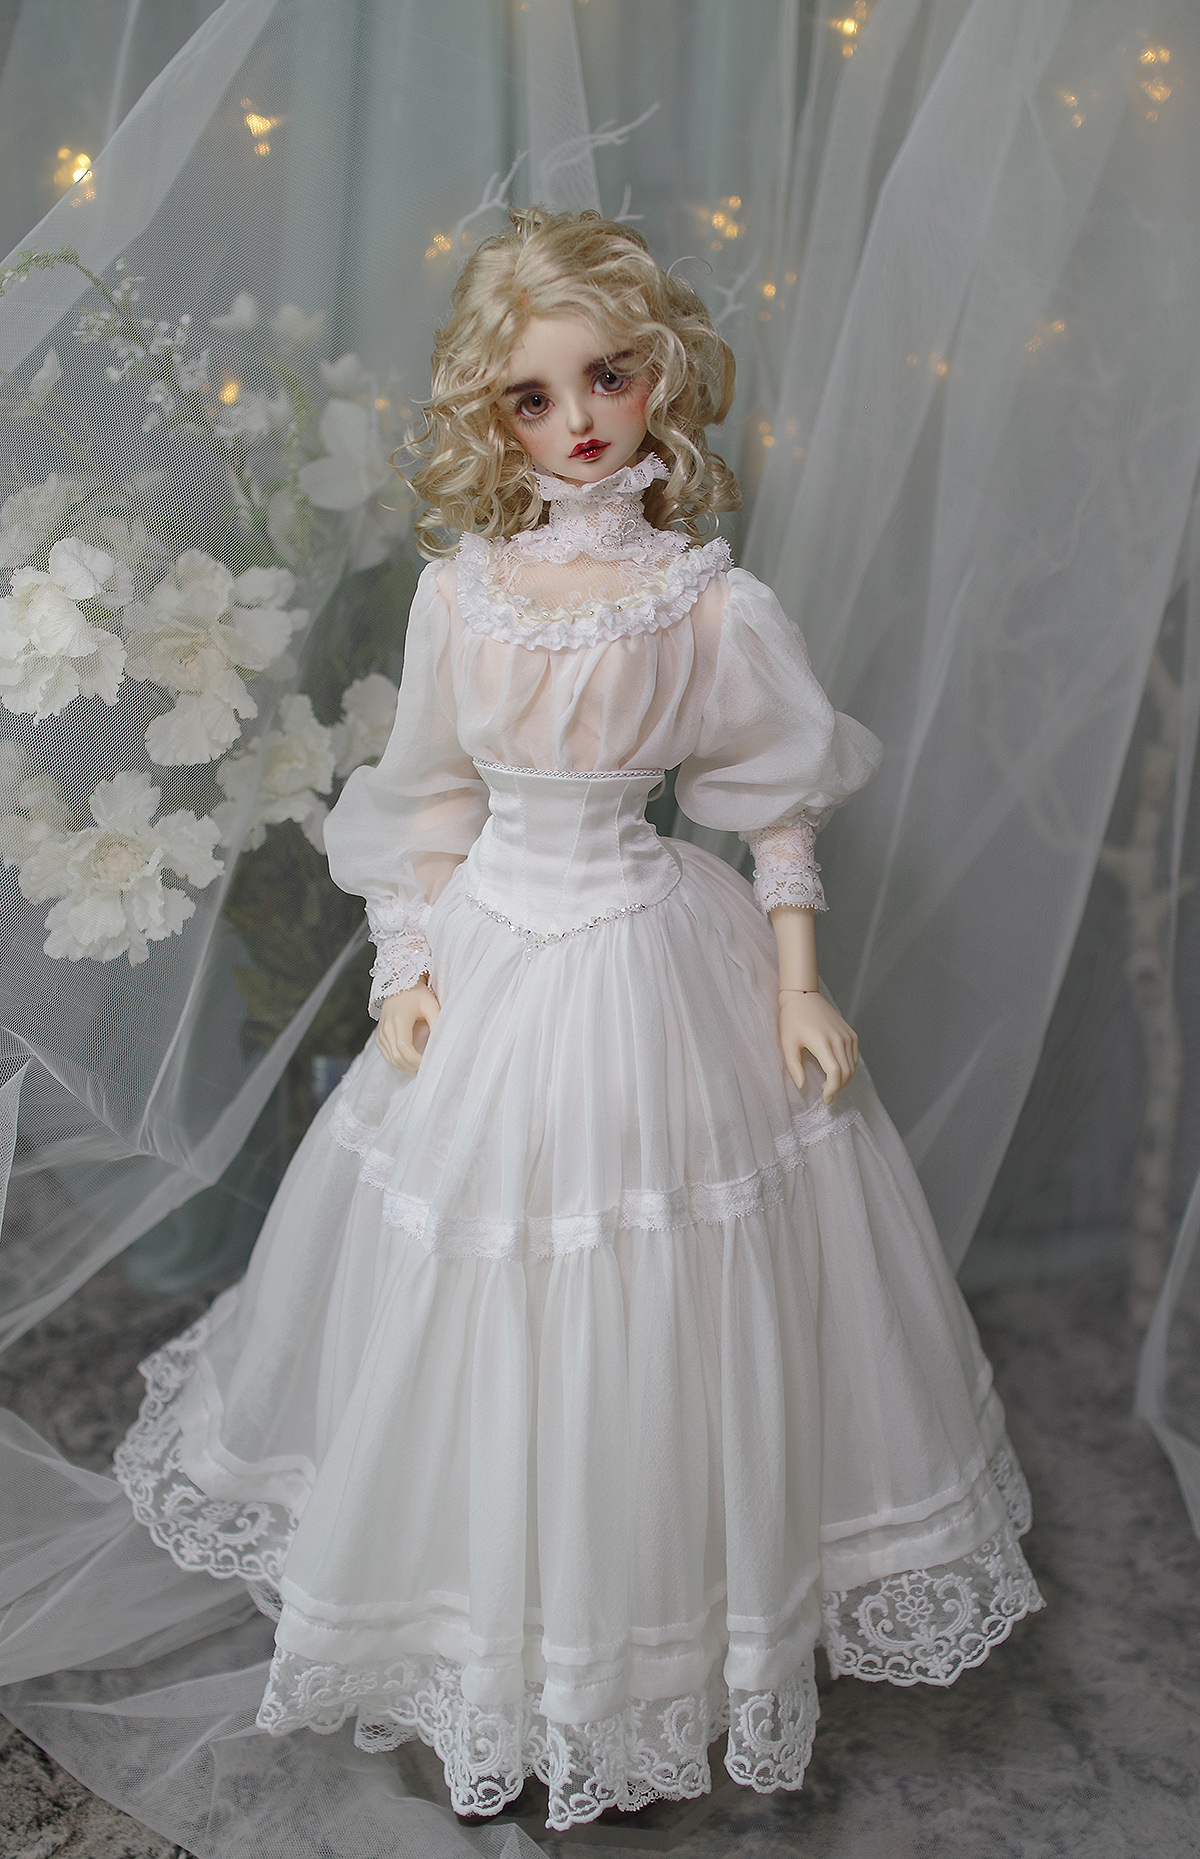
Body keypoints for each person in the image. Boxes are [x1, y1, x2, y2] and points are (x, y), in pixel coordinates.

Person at [113, 207, 1042, 1833]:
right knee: (470, 1287)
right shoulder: (461, 595)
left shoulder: (707, 602)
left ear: (659, 374)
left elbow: (772, 798)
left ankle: (638, 1660)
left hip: (651, 955)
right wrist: (407, 969)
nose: (579, 419)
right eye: (534, 396)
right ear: (496, 414)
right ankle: (482, 1644)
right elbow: (425, 800)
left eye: (607, 377)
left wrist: (797, 978)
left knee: (667, 1290)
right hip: (492, 958)